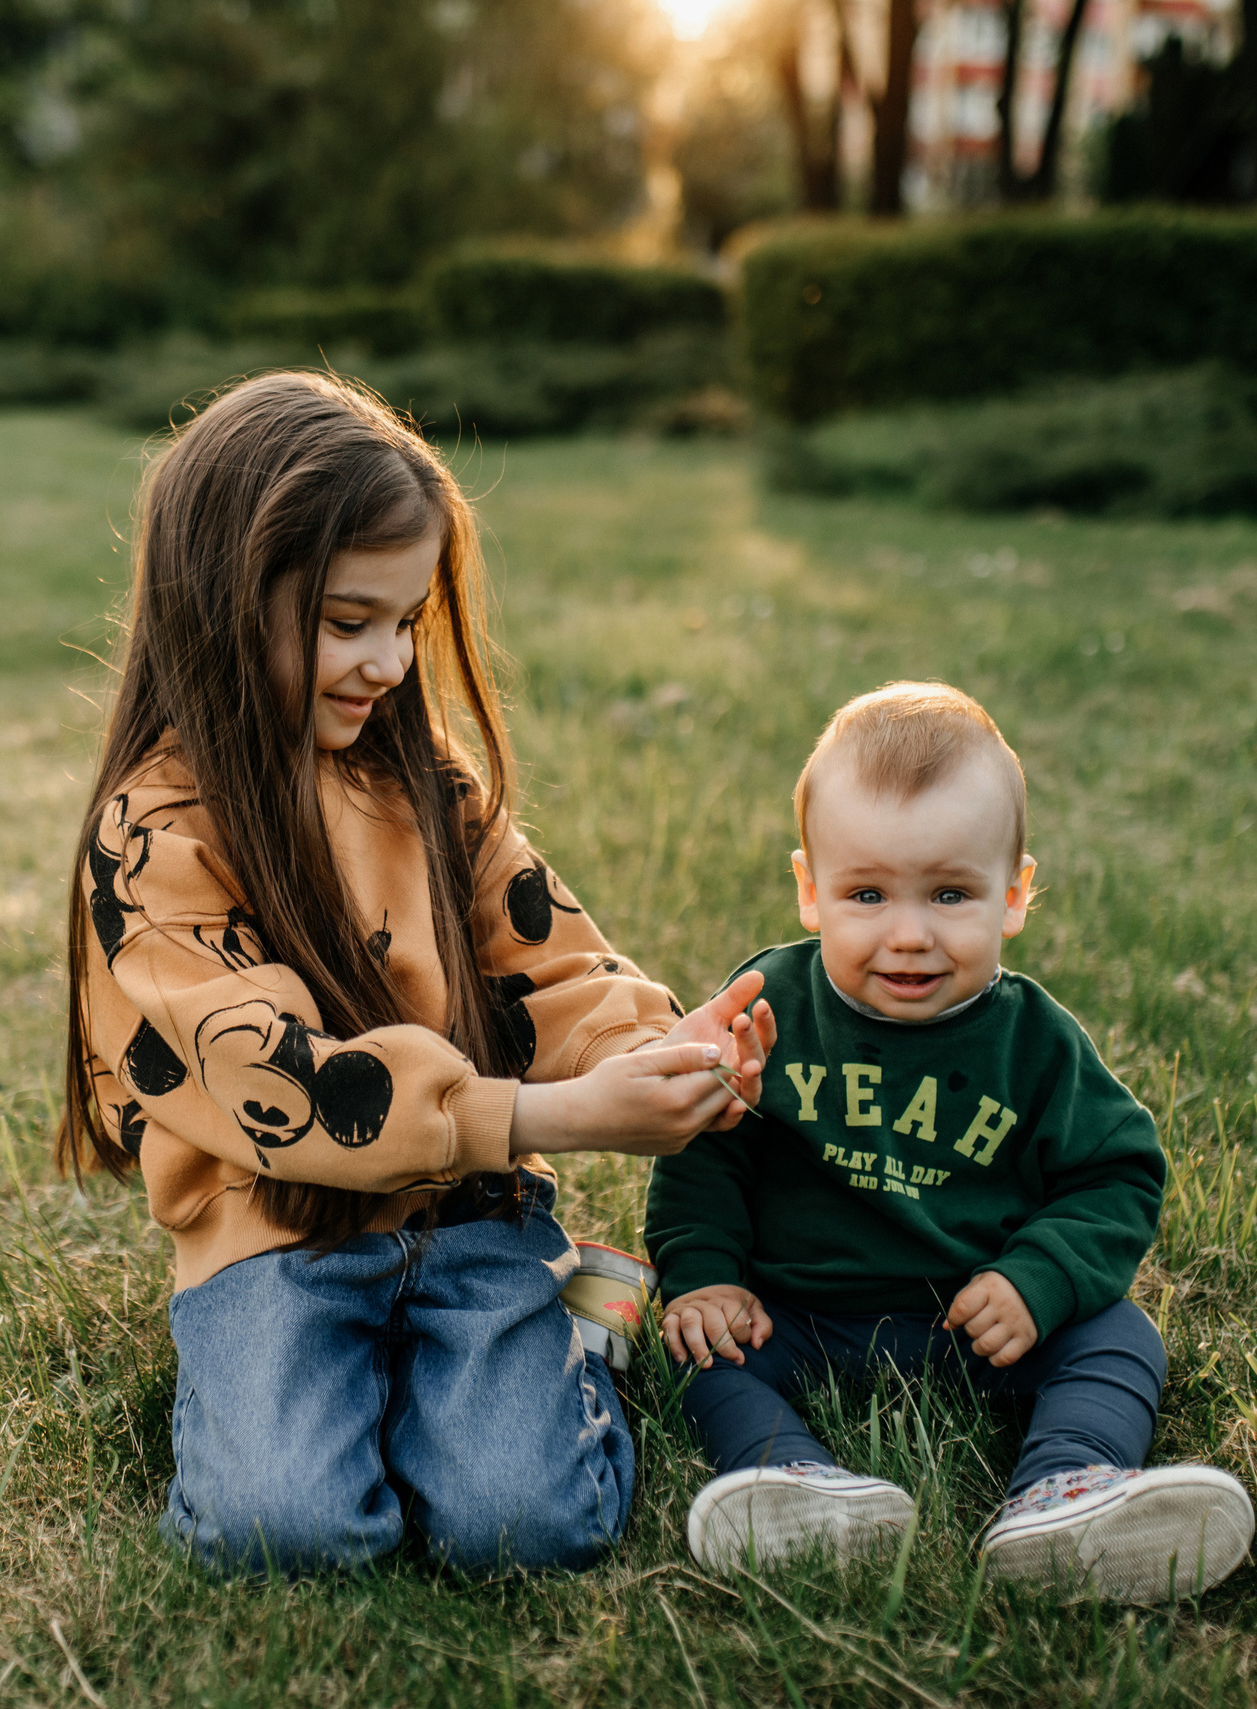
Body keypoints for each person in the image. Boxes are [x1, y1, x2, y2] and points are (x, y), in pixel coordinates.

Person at [59, 371, 775, 1578]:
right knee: (287, 1529)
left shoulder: (427, 784)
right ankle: (390, 1390)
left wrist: (653, 1048)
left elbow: (550, 961)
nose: (390, 659)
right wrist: (548, 1114)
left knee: (523, 1526)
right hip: (270, 1236)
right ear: (224, 599)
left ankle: (569, 1340)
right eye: (350, 621)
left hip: (470, 1215)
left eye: (408, 621)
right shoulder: (154, 839)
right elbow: (276, 1080)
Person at [644, 682, 1253, 1603]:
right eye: (867, 893)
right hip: (794, 1314)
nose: (910, 934)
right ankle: (793, 1480)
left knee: (1120, 1334)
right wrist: (707, 1274)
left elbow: (1117, 1173)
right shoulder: (770, 1003)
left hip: (978, 1325)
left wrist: (1036, 1279)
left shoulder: (1036, 1043)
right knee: (697, 1348)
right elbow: (706, 1144)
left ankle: (1066, 1484)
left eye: (951, 893)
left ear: (1014, 897)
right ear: (810, 889)